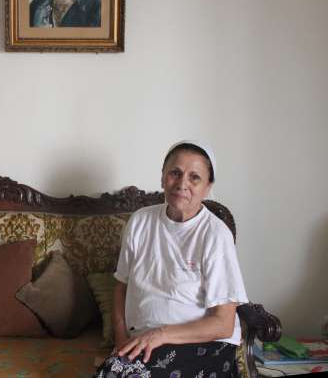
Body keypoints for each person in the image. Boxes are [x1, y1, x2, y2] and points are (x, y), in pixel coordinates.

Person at [94, 141, 249, 378]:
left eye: (194, 177)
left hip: (204, 344)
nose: (182, 184)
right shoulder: (140, 221)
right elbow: (121, 287)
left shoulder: (215, 235)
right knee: (116, 371)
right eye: (175, 173)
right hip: (146, 341)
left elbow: (223, 324)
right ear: (163, 177)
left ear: (208, 187)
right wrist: (121, 339)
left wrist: (161, 334)